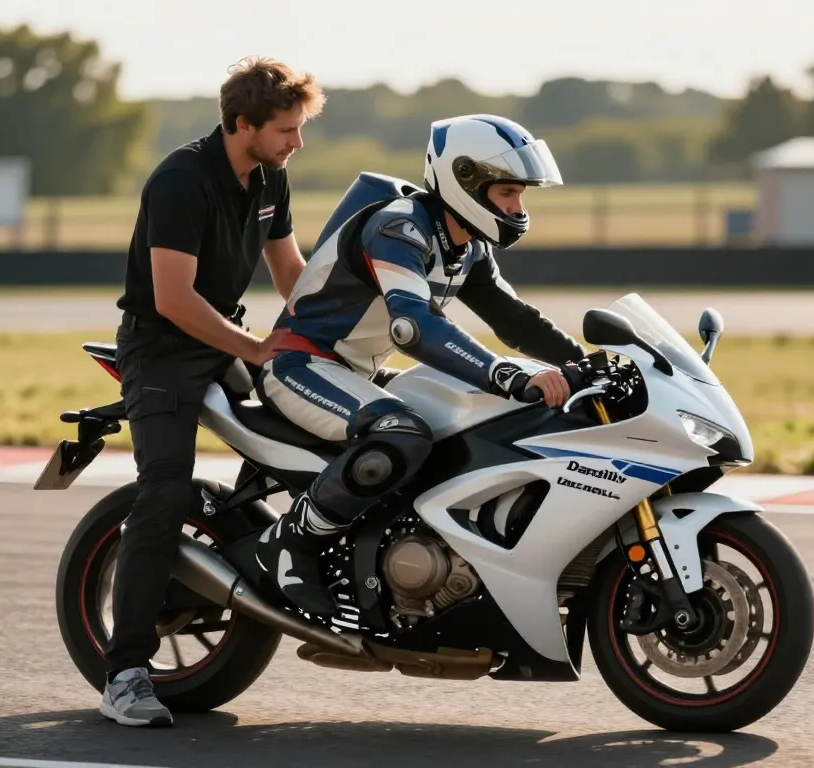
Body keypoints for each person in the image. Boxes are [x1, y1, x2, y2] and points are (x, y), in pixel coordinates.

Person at [249, 114, 586, 617]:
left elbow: (516, 321)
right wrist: (508, 373)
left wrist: (586, 362)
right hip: (300, 364)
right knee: (402, 432)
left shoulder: (466, 244)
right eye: (509, 193)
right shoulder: (398, 227)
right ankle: (288, 543)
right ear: (466, 181)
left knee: (477, 419)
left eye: (521, 195)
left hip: (354, 371)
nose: (518, 208)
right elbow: (415, 328)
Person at [99, 56, 324, 728]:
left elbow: (291, 273)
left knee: (323, 430)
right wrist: (253, 348)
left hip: (226, 338)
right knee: (164, 492)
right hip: (163, 350)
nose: (296, 142)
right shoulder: (180, 181)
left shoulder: (271, 177)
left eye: (299, 128)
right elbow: (172, 299)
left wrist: (334, 332)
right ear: (242, 124)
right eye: (286, 129)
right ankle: (125, 674)